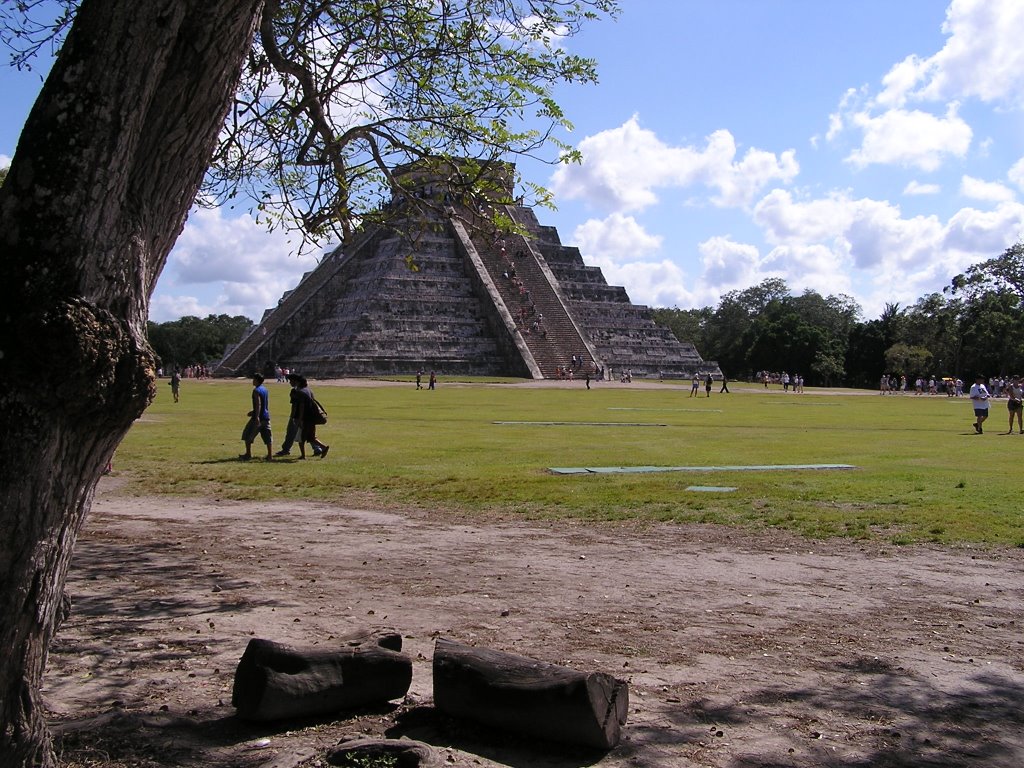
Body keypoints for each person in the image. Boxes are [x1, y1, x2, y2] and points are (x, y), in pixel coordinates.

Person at [293, 375, 329, 459]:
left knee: (301, 438)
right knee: (311, 437)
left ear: (298, 383)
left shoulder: (301, 392)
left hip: (306, 418)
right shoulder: (309, 390)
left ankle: (303, 455)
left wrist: (300, 419)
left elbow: (302, 407)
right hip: (312, 417)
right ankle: (323, 447)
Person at [241, 373, 273, 460]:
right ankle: (270, 455)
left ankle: (248, 454)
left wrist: (256, 416)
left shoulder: (256, 391)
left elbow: (258, 403)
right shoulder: (265, 389)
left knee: (247, 434)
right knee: (267, 437)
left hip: (258, 417)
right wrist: (253, 411)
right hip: (266, 416)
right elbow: (263, 404)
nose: (253, 381)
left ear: (257, 380)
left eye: (254, 379)